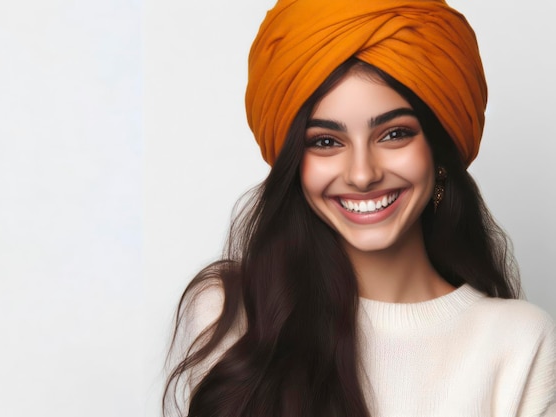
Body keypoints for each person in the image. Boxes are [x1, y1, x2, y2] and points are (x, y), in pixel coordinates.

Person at [163, 0, 556, 416]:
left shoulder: (519, 343)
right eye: (326, 141)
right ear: (296, 165)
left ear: (439, 153)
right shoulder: (231, 312)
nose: (363, 174)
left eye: (394, 134)